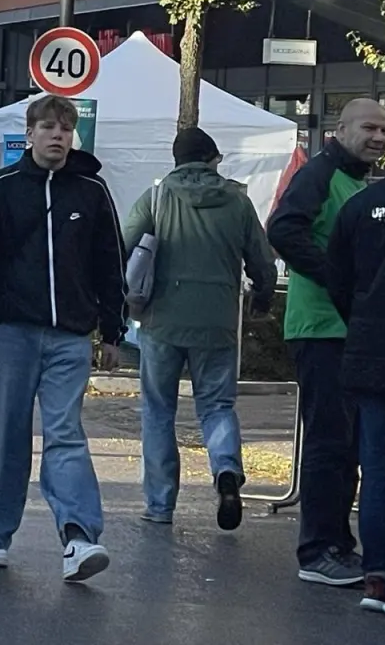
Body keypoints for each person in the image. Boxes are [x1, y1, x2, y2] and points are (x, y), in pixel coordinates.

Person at [0, 94, 125, 582]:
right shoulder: (0, 188)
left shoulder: (91, 191)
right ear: (29, 135)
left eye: (65, 129)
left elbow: (110, 262)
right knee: (6, 434)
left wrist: (112, 329)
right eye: (48, 128)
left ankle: (79, 535)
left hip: (70, 335)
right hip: (10, 333)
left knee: (65, 433)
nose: (57, 136)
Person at [122, 127, 276, 530]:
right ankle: (226, 471)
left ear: (176, 160)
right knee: (217, 405)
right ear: (212, 159)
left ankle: (160, 505)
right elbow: (262, 261)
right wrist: (262, 298)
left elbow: (123, 245)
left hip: (162, 320)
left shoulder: (156, 197)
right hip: (218, 320)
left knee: (158, 411)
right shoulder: (238, 201)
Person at [268, 96, 385, 586]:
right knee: (329, 443)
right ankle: (318, 550)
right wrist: (339, 279)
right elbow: (283, 229)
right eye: (369, 128)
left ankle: (338, 544)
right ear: (340, 130)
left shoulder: (354, 180)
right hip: (320, 329)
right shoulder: (320, 173)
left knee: (347, 446)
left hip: (345, 329)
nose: (379, 137)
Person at [327, 117, 385, 619]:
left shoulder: (362, 205)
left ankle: (378, 576)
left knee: (380, 470)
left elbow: (338, 279)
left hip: (369, 353)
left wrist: (362, 323)